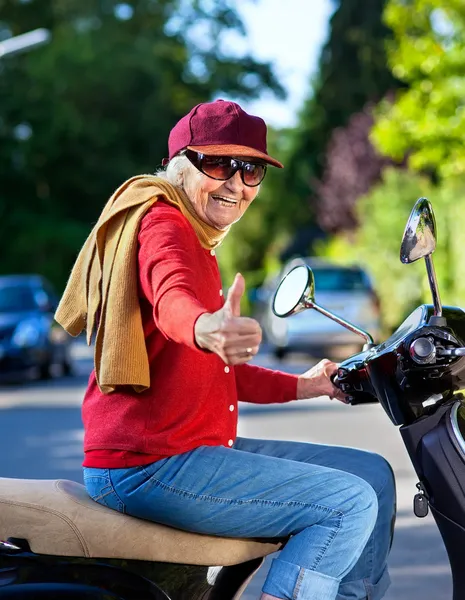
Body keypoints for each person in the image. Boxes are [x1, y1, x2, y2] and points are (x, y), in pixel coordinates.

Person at [55, 99, 396, 600]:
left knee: (372, 474)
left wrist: (308, 384)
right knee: (347, 503)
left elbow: (221, 374)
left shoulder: (200, 240)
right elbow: (172, 297)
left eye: (252, 169)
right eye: (218, 164)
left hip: (194, 452)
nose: (236, 184)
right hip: (148, 466)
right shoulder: (163, 224)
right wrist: (204, 327)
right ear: (179, 166)